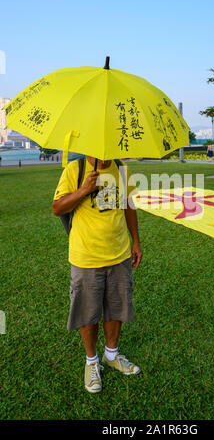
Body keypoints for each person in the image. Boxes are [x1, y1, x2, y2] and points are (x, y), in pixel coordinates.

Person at [52, 156, 142, 394]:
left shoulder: (122, 169)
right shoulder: (75, 169)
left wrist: (136, 242)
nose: (103, 157)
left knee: (116, 306)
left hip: (119, 253)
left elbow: (128, 206)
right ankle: (91, 362)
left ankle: (111, 354)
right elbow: (57, 207)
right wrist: (84, 190)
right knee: (87, 310)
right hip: (86, 256)